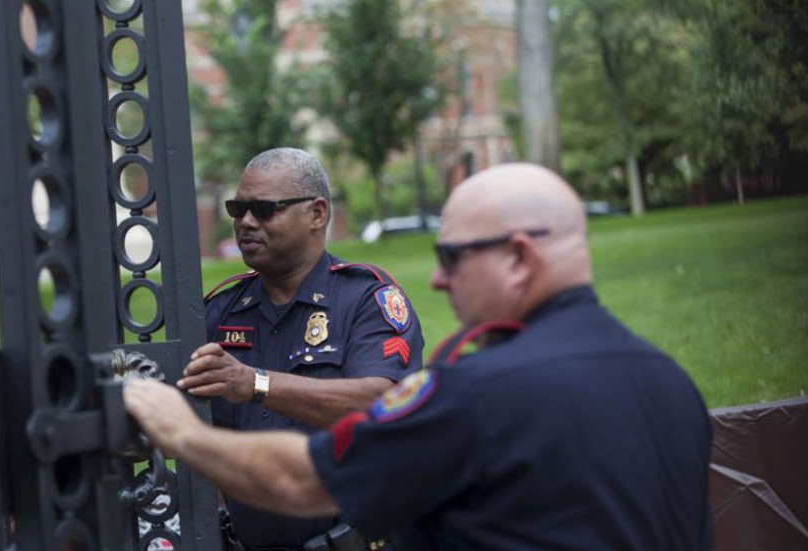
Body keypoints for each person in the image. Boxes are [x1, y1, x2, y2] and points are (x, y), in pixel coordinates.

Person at [125, 162, 715, 550]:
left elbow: (301, 480)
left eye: (453, 256)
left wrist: (182, 432)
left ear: (517, 257)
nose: (435, 279)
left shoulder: (477, 391)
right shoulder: (669, 381)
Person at [179, 147, 425, 550]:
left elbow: (383, 402)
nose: (245, 222)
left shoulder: (365, 299)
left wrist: (255, 383)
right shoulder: (220, 311)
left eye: (264, 209)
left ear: (317, 214)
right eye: (237, 208)